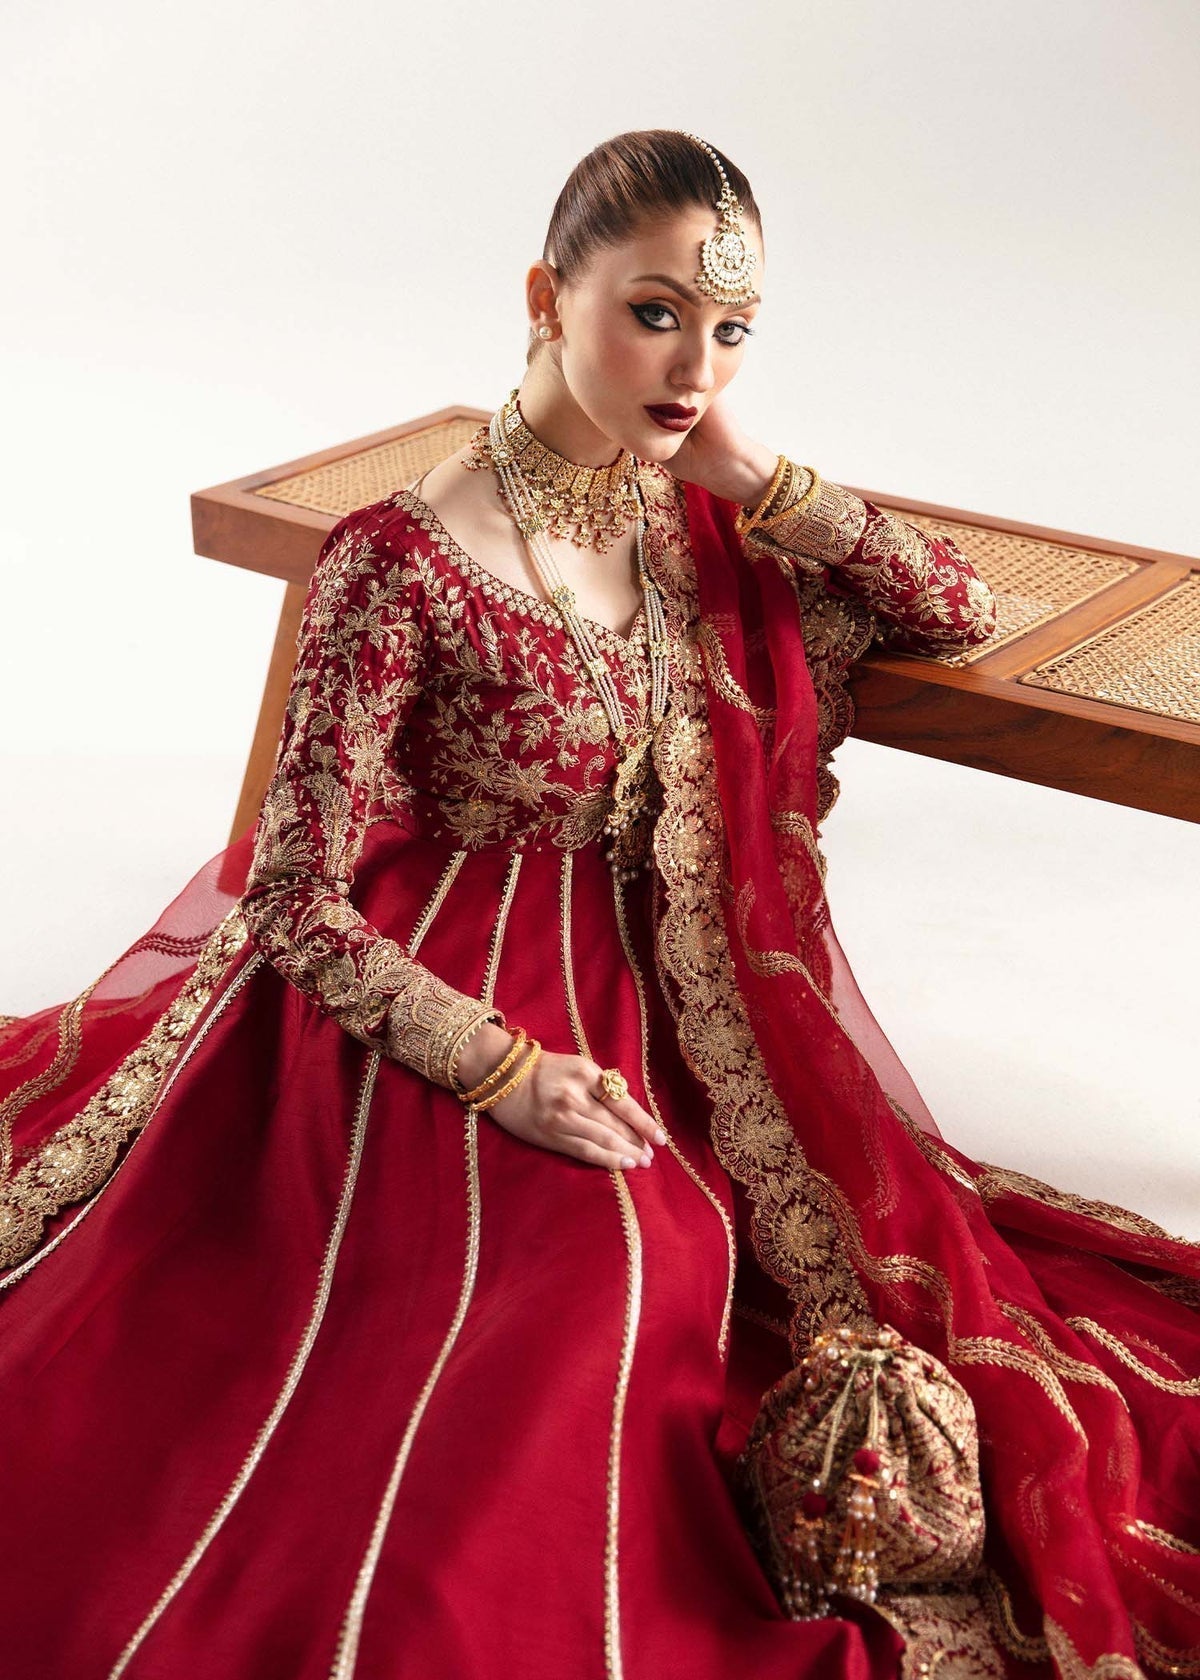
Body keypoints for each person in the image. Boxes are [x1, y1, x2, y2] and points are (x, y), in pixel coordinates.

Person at [0, 127, 1196, 1680]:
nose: (695, 366)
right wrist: (501, 1070)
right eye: (655, 313)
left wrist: (750, 474)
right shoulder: (399, 560)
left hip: (663, 979)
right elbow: (292, 894)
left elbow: (948, 603)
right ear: (543, 297)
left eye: (732, 328)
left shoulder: (687, 521)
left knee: (720, 1259)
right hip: (436, 989)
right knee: (604, 1276)